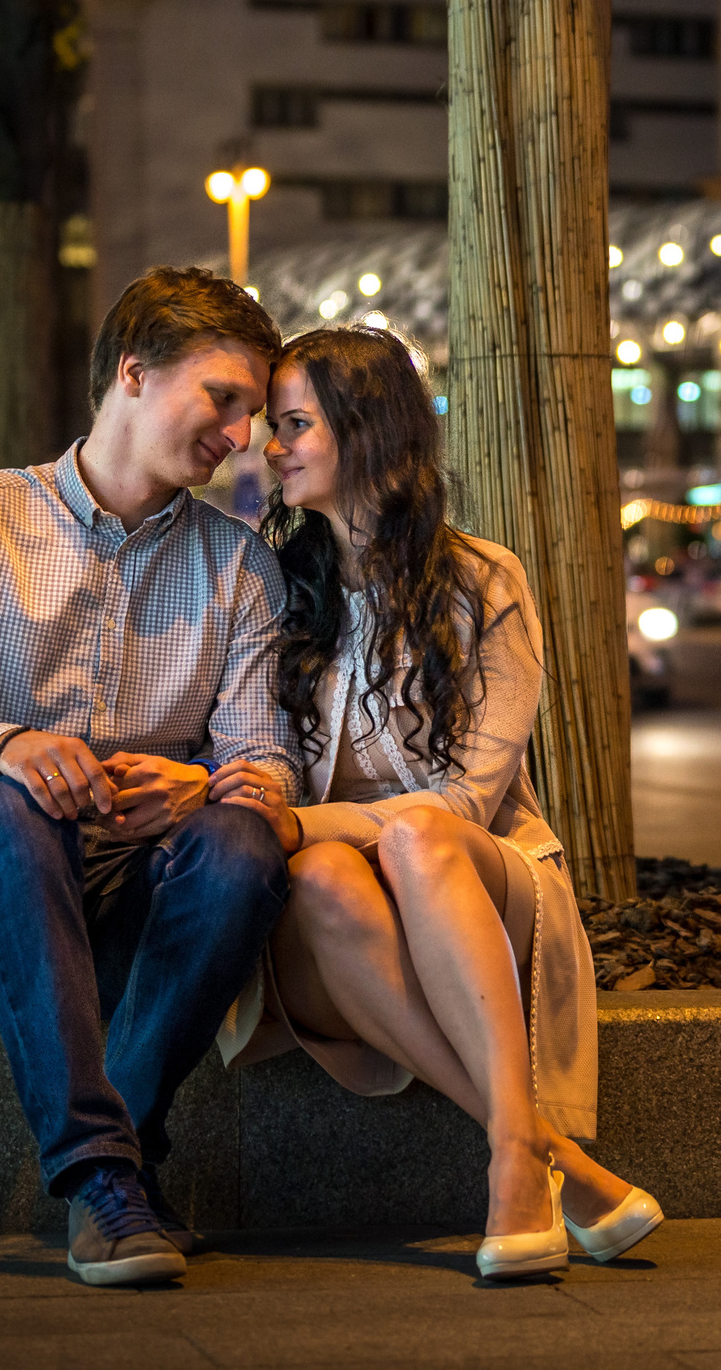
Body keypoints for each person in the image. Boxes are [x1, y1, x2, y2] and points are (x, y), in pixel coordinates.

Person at [208, 326, 662, 1281]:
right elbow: (267, 766)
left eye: (294, 424)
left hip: (478, 873)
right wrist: (284, 817)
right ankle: (545, 1158)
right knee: (326, 874)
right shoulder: (270, 582)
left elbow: (465, 799)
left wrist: (301, 821)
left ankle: (513, 1161)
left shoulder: (484, 579)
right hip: (333, 904)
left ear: (367, 431)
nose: (268, 446)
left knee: (418, 830)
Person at [0, 266, 297, 1288]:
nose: (240, 435)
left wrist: (200, 785)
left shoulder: (240, 567)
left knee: (242, 841)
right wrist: (6, 745)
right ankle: (107, 1174)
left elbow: (263, 765)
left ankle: (112, 1171)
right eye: (224, 399)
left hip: (129, 917)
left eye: (253, 412)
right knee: (13, 807)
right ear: (135, 372)